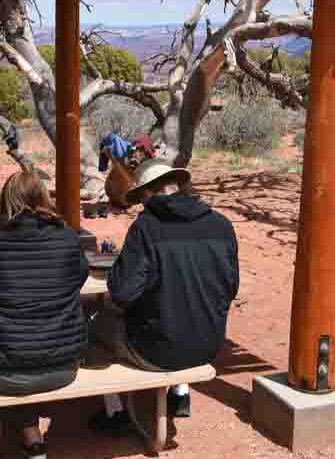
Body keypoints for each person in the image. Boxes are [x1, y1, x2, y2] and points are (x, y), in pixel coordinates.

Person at [90, 160, 239, 432]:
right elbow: (230, 288)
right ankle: (180, 393)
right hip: (209, 345)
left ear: (147, 194)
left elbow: (122, 292)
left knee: (93, 324)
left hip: (156, 349)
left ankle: (115, 410)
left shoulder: (147, 227)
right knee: (179, 303)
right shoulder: (221, 225)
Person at [0, 170, 88, 459]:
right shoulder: (68, 239)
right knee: (24, 345)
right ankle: (32, 438)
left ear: (6, 202)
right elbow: (80, 276)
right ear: (44, 199)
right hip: (61, 368)